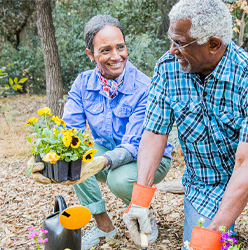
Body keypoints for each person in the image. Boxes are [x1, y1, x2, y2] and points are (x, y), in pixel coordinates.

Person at [121, 1, 248, 249]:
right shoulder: (168, 69)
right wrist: (140, 200)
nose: (172, 50)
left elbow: (247, 164)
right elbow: (154, 133)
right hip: (205, 182)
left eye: (180, 43)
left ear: (213, 44)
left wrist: (213, 233)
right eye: (172, 40)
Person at [29, 15, 172, 250]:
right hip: (109, 152)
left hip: (149, 157)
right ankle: (104, 227)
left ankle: (142, 210)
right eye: (105, 50)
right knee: (71, 158)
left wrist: (102, 161)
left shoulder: (145, 88)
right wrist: (47, 157)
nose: (116, 56)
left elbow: (135, 144)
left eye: (120, 47)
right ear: (91, 55)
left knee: (118, 179)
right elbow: (68, 131)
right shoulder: (83, 84)